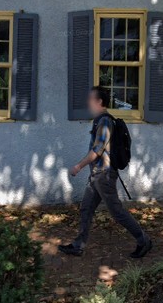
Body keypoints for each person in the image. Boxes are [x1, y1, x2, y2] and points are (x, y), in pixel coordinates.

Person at [58, 86, 152, 258]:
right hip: (97, 175)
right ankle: (78, 246)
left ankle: (143, 240)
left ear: (99, 101)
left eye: (90, 99)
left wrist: (78, 166)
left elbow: (98, 150)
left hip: (104, 175)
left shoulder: (105, 122)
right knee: (86, 208)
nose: (88, 103)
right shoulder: (100, 121)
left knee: (117, 212)